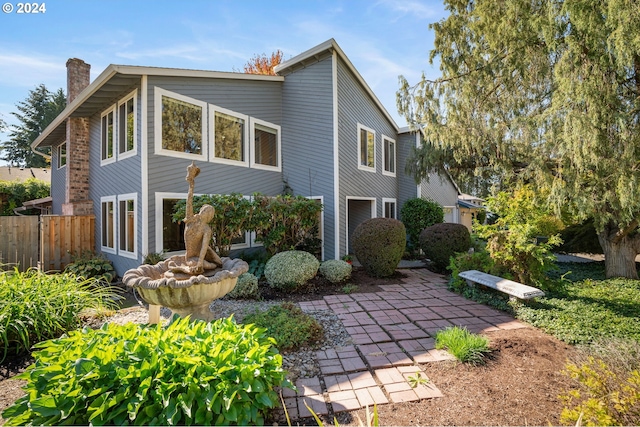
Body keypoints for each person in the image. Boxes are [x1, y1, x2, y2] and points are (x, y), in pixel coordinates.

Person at [176, 162, 223, 274]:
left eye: (208, 211)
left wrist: (201, 262)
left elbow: (204, 247)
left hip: (199, 256)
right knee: (194, 264)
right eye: (204, 209)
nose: (204, 211)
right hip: (191, 257)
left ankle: (213, 265)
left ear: (209, 216)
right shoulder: (191, 220)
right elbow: (189, 202)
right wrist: (191, 186)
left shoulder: (207, 229)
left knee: (210, 265)